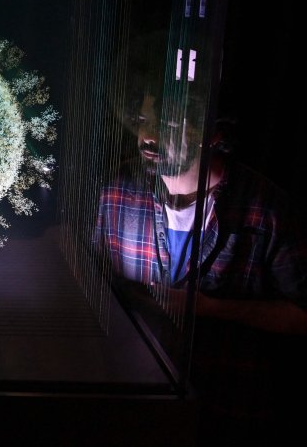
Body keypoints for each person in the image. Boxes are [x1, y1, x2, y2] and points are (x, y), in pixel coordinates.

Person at [95, 29, 307, 445]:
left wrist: (211, 309)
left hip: (223, 413)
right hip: (131, 416)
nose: (148, 136)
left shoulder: (265, 209)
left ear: (214, 133)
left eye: (169, 123)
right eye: (143, 120)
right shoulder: (117, 190)